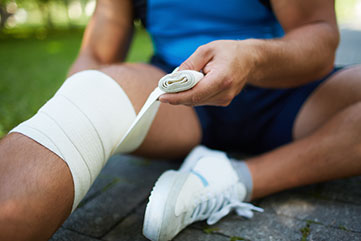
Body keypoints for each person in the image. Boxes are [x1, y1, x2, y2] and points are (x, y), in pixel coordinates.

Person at [1, 0, 361, 240]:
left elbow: (320, 38)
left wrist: (250, 57)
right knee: (90, 96)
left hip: (286, 87)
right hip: (179, 97)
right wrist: (72, 120)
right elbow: (96, 53)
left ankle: (233, 180)